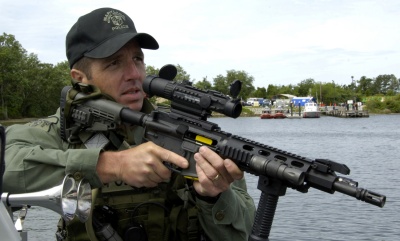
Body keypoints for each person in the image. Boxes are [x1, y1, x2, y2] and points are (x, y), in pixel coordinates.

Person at [3, 7, 256, 241]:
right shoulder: (61, 129)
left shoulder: (185, 133)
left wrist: (213, 197)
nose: (134, 74)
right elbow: (7, 162)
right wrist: (112, 166)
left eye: (137, 59)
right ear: (80, 78)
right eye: (114, 62)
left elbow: (243, 232)